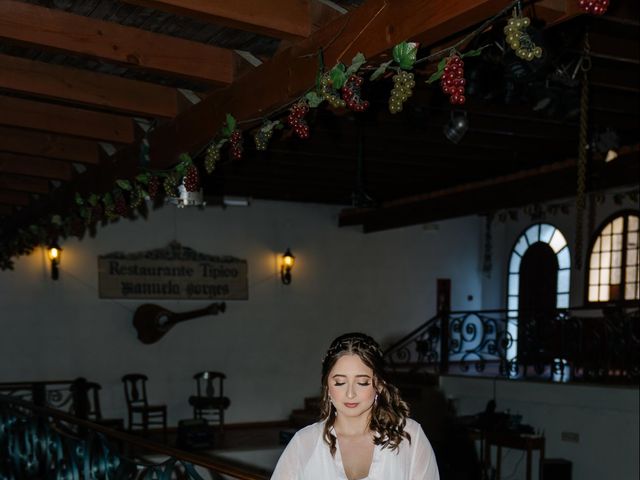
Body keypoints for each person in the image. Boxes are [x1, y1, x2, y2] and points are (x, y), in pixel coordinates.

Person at [271, 332, 440, 479]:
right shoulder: (304, 442)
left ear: (379, 386)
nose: (350, 393)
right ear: (327, 387)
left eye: (362, 382)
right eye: (340, 382)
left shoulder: (409, 436)